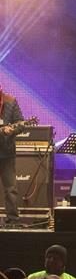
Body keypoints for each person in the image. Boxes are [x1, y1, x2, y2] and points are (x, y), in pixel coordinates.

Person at [0, 83, 24, 227]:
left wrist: (12, 130)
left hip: (6, 152)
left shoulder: (10, 101)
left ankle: (13, 219)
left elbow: (21, 123)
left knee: (10, 188)